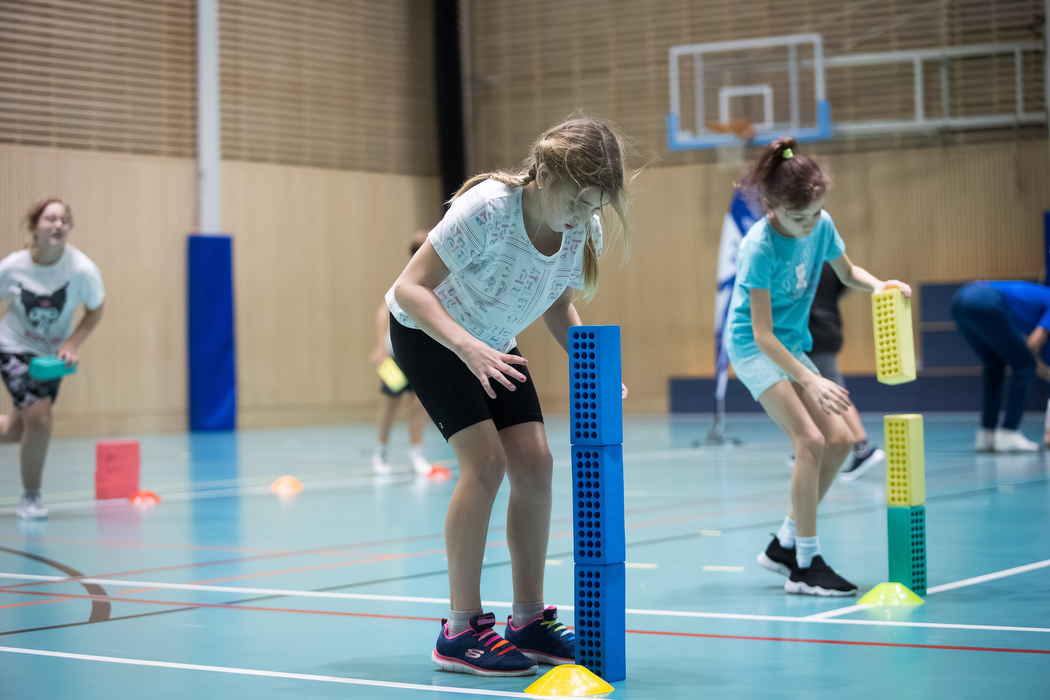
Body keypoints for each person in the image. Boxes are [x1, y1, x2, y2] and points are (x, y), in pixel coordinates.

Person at [387, 115, 631, 676]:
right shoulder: (489, 210)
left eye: (594, 205)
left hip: (492, 342)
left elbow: (556, 302)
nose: (583, 214)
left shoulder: (581, 229)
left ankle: (528, 620)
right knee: (486, 463)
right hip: (431, 334)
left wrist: (590, 363)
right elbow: (410, 287)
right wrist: (467, 347)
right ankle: (460, 630)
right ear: (545, 174)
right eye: (578, 199)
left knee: (537, 462)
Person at [725, 138, 911, 597]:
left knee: (843, 440)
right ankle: (806, 565)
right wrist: (811, 379)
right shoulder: (759, 248)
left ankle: (784, 543)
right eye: (798, 217)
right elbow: (762, 335)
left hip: (791, 343)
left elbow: (847, 273)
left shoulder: (820, 224)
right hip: (754, 347)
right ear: (772, 207)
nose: (809, 225)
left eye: (815, 214)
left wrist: (880, 285)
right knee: (809, 440)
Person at [0, 199, 105, 519]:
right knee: (41, 418)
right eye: (50, 219)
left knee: (17, 430)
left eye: (64, 220)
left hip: (51, 356)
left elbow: (95, 310)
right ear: (35, 227)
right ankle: (31, 498)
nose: (58, 225)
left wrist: (72, 343)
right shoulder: (13, 267)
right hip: (13, 346)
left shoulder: (82, 269)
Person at [785, 262, 886, 480]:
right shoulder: (830, 264)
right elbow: (844, 285)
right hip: (829, 327)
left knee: (831, 390)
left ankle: (862, 446)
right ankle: (817, 445)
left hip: (813, 332)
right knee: (811, 390)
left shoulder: (803, 260)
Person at [950, 280, 1050, 452]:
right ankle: (1009, 432)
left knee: (994, 365)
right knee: (1025, 365)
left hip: (960, 299)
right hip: (985, 300)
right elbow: (1032, 345)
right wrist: (1044, 372)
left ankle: (986, 435)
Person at [369, 231, 437, 477]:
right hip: (394, 354)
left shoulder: (440, 278)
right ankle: (381, 452)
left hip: (422, 356)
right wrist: (381, 347)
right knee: (391, 402)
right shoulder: (406, 277)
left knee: (419, 404)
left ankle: (415, 455)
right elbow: (383, 311)